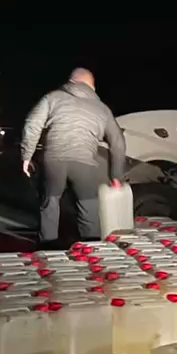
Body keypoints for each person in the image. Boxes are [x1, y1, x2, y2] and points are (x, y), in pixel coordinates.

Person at [20, 67, 126, 246]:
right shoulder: (102, 108)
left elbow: (32, 125)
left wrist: (26, 156)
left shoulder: (52, 98)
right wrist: (116, 175)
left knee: (50, 204)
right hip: (85, 163)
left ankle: (48, 249)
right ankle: (91, 248)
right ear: (91, 86)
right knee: (88, 207)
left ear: (71, 82)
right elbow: (118, 142)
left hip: (54, 160)